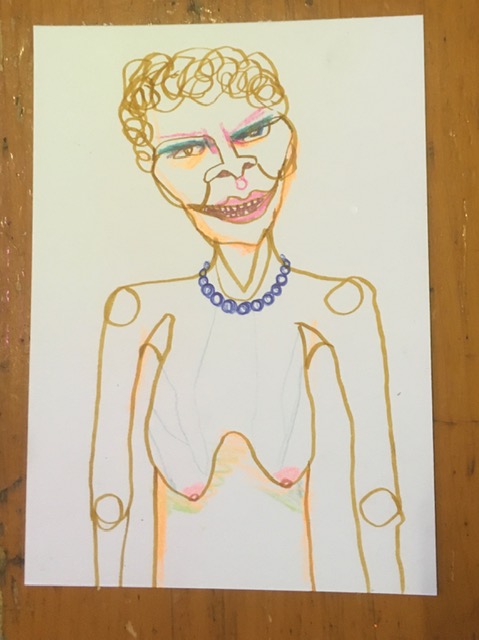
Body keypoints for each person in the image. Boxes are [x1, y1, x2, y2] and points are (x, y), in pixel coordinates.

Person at [90, 46, 405, 592]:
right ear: (156, 173)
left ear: (289, 138)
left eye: (254, 133)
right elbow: (109, 500)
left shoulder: (340, 307)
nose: (234, 170)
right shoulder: (138, 314)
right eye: (188, 149)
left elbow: (379, 495)